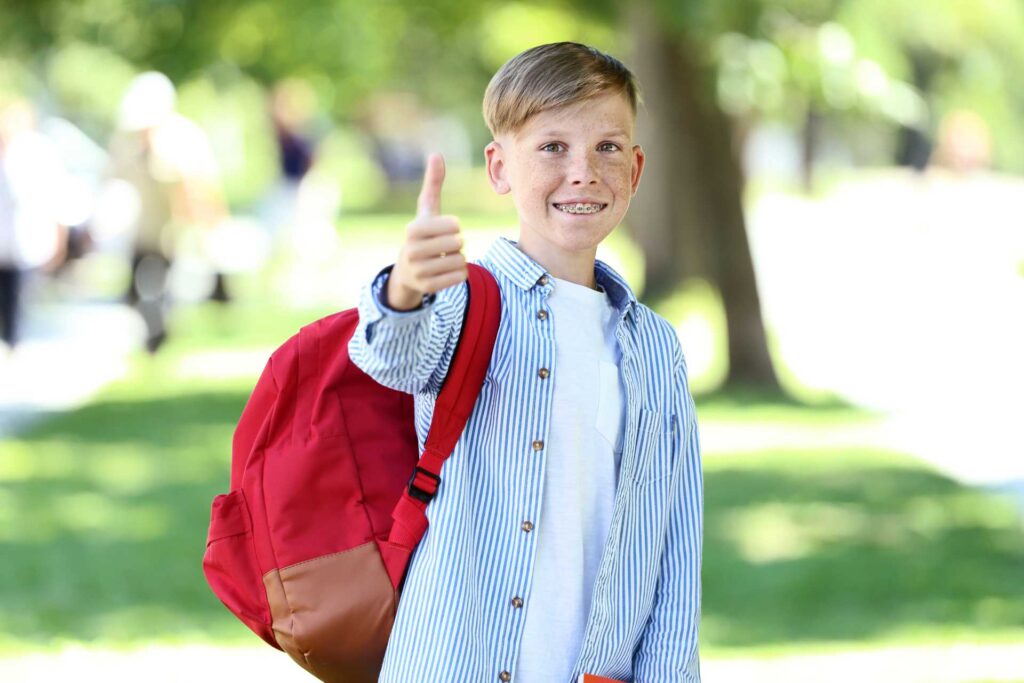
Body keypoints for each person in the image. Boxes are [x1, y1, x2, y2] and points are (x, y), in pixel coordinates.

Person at [348, 43, 702, 682]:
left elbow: (675, 549)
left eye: (608, 147)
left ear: (637, 167)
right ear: (498, 166)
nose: (583, 172)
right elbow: (392, 358)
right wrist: (404, 291)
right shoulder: (461, 300)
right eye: (551, 147)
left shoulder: (654, 349)